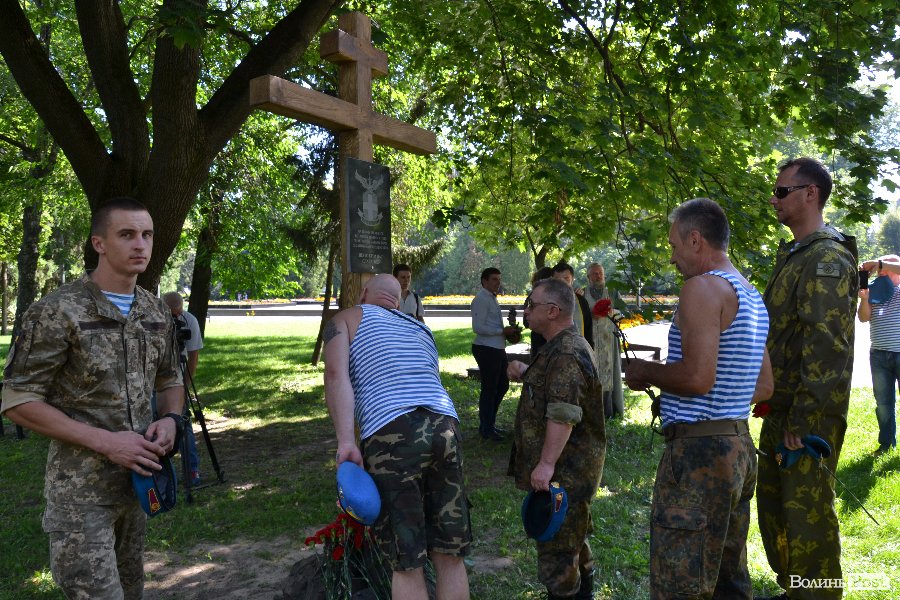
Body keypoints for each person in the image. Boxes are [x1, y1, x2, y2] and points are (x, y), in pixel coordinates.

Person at [1, 197, 184, 599]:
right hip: (81, 497)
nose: (140, 244)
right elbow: (17, 400)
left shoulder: (155, 311)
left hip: (138, 486)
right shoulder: (58, 310)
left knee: (132, 591)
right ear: (98, 243)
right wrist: (107, 442)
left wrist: (171, 420)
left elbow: (171, 379)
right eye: (127, 234)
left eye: (147, 235)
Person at [624, 198, 773, 600]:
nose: (672, 258)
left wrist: (645, 371)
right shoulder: (751, 295)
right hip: (738, 448)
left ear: (695, 239)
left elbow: (696, 377)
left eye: (674, 246)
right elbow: (764, 386)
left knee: (682, 584)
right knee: (728, 580)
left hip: (698, 455)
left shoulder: (702, 288)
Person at [324, 274, 471, 600]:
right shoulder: (420, 328)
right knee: (450, 554)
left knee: (407, 561)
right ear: (400, 299)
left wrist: (346, 442)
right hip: (445, 426)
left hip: (392, 431)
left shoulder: (345, 319)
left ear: (363, 293)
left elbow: (335, 375)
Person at [757, 158, 857, 600]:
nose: (774, 199)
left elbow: (827, 345)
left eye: (782, 191)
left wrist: (803, 418)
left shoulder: (825, 259)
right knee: (776, 512)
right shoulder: (797, 254)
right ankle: (795, 590)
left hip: (807, 417)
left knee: (807, 519)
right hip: (782, 409)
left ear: (810, 194)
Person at [507, 278, 606, 600]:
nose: (526, 310)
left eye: (531, 304)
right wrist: (527, 372)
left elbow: (563, 413)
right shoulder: (561, 347)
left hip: (565, 474)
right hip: (570, 472)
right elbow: (558, 390)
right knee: (574, 543)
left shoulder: (565, 352)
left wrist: (546, 465)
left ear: (552, 311)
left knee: (558, 555)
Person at [857, 254, 900, 455]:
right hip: (879, 356)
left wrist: (879, 263)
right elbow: (863, 318)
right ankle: (886, 444)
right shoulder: (876, 292)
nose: (880, 273)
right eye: (878, 271)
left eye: (884, 270)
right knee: (883, 404)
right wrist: (865, 299)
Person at [163, 291, 204, 484]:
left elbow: (193, 357)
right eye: (172, 314)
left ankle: (191, 471)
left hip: (178, 379)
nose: (176, 318)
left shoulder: (190, 321)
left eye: (179, 313)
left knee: (183, 423)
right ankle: (160, 474)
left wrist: (186, 385)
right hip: (154, 379)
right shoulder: (153, 320)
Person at [471, 267, 510, 441]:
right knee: (490, 389)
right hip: (486, 348)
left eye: (499, 279)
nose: (497, 282)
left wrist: (505, 333)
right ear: (484, 281)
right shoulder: (481, 299)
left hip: (496, 348)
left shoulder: (491, 297)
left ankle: (489, 424)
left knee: (502, 385)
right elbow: (478, 327)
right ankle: (486, 428)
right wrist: (502, 331)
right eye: (494, 279)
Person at [582, 263, 625, 418]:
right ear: (588, 277)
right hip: (589, 339)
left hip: (608, 339)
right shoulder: (582, 293)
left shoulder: (612, 292)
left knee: (609, 372)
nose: (598, 276)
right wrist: (590, 315)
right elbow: (577, 315)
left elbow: (623, 312)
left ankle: (609, 410)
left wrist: (610, 311)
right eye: (594, 273)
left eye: (600, 273)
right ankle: (590, 411)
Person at [551, 262, 593, 348]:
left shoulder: (581, 301)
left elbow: (588, 330)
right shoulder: (545, 301)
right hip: (552, 351)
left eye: (566, 278)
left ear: (572, 279)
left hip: (579, 351)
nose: (562, 283)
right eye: (558, 279)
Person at [525, 266, 554, 358]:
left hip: (541, 340)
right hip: (542, 340)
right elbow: (526, 321)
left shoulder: (532, 296)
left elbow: (526, 322)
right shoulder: (533, 297)